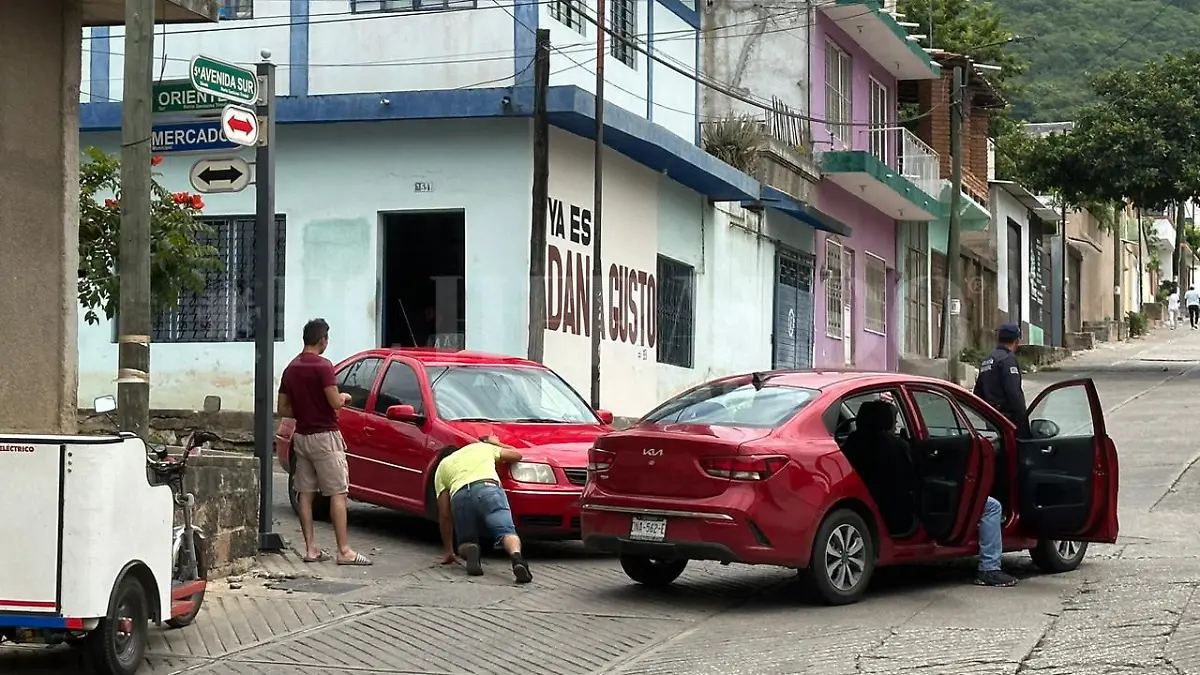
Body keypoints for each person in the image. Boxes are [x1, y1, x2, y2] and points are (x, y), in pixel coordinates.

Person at [277, 318, 372, 567]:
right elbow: (334, 401)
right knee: (338, 492)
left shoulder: (291, 368)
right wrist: (345, 397)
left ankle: (311, 549)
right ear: (322, 340)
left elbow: (282, 408)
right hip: (325, 437)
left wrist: (304, 410)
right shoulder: (323, 366)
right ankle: (344, 550)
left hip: (301, 436)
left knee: (305, 494)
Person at [435, 435, 533, 583]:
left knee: (464, 542)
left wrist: (449, 550)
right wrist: (496, 443)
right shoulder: (481, 447)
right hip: (488, 489)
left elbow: (444, 513)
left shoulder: (442, 465)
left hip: (460, 496)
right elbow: (516, 455)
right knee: (506, 531)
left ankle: (470, 548)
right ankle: (517, 558)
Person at [974, 322, 1031, 439]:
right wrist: (1023, 422)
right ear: (1016, 340)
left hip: (991, 419)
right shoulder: (1007, 360)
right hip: (1007, 421)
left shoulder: (987, 361)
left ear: (998, 339)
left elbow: (978, 394)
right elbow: (1014, 393)